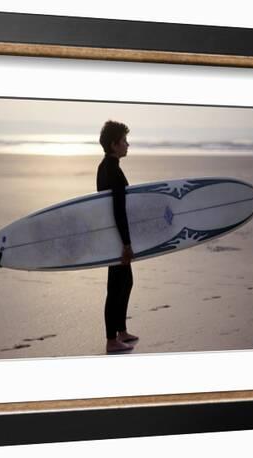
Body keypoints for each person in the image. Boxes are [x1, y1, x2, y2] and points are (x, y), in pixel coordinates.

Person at [97, 120, 139, 353]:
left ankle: (121, 331)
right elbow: (118, 209)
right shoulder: (112, 169)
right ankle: (111, 340)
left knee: (126, 281)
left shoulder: (106, 165)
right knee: (115, 287)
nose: (127, 144)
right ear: (114, 144)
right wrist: (126, 243)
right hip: (116, 237)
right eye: (124, 140)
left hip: (112, 233)